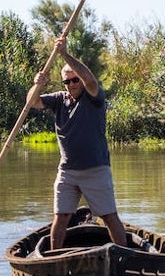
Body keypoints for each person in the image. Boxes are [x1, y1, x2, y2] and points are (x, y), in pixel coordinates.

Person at [26, 34, 128, 250]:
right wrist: (37, 85)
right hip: (68, 171)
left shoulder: (93, 97)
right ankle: (54, 260)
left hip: (95, 169)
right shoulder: (59, 100)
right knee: (61, 217)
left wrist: (64, 54)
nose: (72, 84)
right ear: (63, 83)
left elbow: (90, 80)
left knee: (109, 216)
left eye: (75, 80)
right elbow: (32, 102)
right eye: (68, 81)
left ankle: (125, 255)